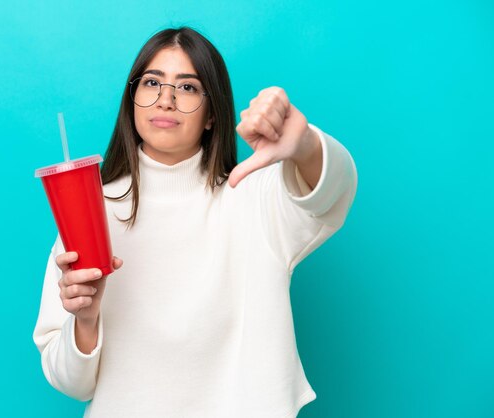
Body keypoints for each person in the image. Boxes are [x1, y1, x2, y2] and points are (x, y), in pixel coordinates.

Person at [33, 26, 357, 418]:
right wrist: (85, 320)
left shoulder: (254, 197)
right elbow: (71, 383)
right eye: (152, 82)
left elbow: (333, 194)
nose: (165, 99)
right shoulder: (92, 210)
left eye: (187, 88)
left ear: (210, 114)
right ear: (132, 99)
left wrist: (304, 143)